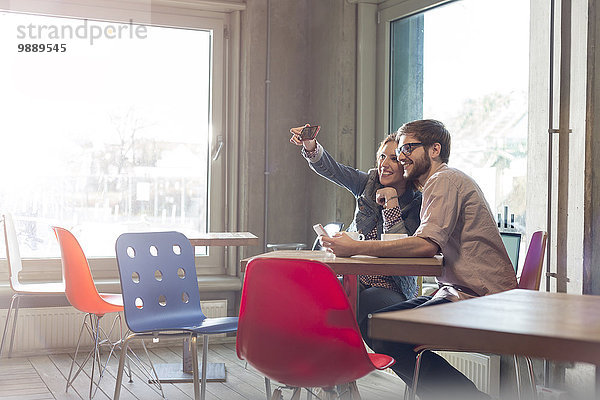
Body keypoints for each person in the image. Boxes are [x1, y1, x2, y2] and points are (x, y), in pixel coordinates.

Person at [320, 119, 517, 400]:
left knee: (382, 329)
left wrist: (355, 248)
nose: (401, 157)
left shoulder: (444, 180)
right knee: (379, 325)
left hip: (481, 298)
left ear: (435, 149)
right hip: (460, 292)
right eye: (399, 151)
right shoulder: (439, 184)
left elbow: (426, 245)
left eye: (408, 148)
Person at [289, 124, 422, 326]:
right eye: (382, 157)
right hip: (355, 277)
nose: (384, 164)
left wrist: (392, 203)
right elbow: (334, 170)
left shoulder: (416, 202)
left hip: (391, 285)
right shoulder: (368, 183)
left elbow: (399, 247)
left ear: (406, 164)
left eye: (393, 159)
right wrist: (310, 145)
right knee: (315, 295)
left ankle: (351, 355)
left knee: (360, 303)